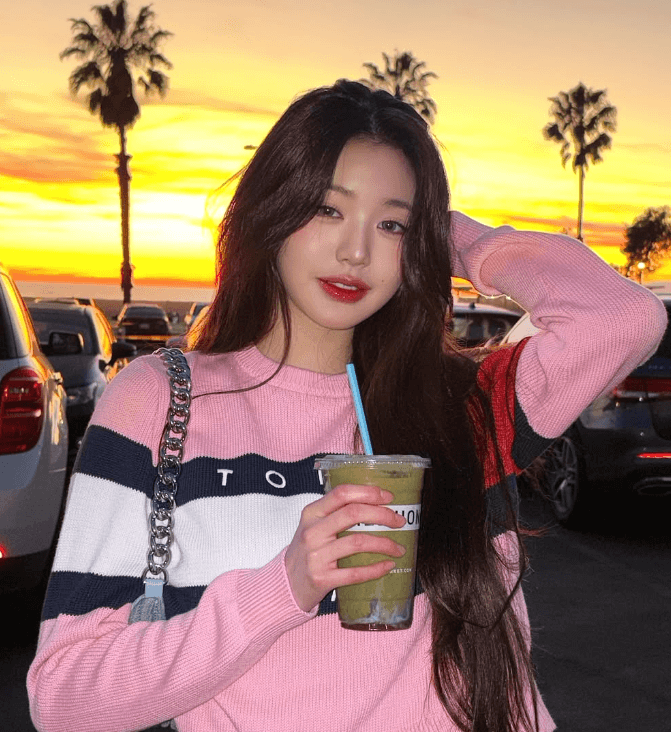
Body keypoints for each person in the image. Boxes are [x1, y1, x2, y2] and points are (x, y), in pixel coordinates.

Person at [28, 80, 667, 732]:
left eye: (389, 224)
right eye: (328, 210)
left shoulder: (461, 404)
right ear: (271, 211)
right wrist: (282, 588)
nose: (356, 252)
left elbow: (624, 317)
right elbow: (64, 699)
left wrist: (445, 234)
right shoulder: (162, 401)